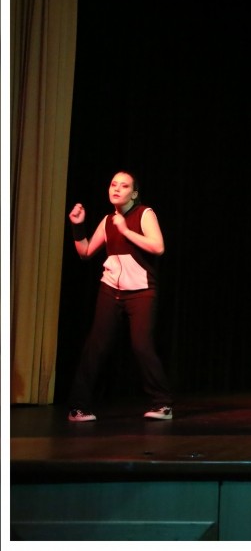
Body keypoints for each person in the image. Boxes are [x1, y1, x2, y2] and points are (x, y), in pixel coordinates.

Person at [66, 171, 174, 422]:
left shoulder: (144, 214)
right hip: (110, 289)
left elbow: (158, 247)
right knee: (96, 346)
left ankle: (163, 403)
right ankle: (78, 407)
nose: (116, 189)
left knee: (141, 345)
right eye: (113, 184)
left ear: (133, 194)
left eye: (124, 186)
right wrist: (77, 225)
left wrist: (125, 230)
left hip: (141, 291)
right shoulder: (107, 220)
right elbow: (85, 252)